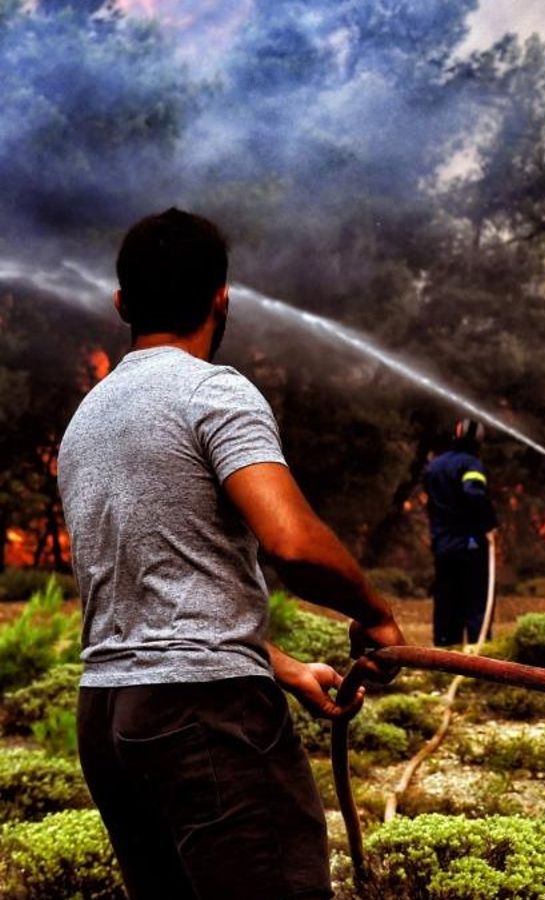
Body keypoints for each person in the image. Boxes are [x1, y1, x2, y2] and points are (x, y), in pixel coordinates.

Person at [57, 208, 406, 900]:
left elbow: (147, 590)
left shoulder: (87, 419)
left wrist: (276, 664)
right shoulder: (213, 391)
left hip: (107, 718)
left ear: (123, 304)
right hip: (204, 717)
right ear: (222, 297)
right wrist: (375, 614)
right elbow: (293, 543)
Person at [423, 418, 498, 646]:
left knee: (446, 600)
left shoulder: (434, 466)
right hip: (470, 543)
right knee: (476, 601)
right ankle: (479, 657)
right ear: (478, 441)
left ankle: (445, 653)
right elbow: (473, 493)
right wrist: (489, 524)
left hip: (443, 545)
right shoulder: (472, 465)